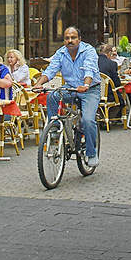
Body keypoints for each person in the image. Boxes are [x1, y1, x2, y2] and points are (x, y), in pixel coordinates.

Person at [40, 26, 101, 168]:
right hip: (71, 88)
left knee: (87, 120)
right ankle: (54, 129)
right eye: (67, 38)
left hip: (89, 90)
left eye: (73, 38)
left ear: (79, 39)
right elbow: (50, 70)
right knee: (52, 96)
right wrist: (38, 84)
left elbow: (89, 69)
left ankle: (91, 153)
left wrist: (86, 85)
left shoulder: (88, 51)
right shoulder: (61, 53)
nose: (70, 41)